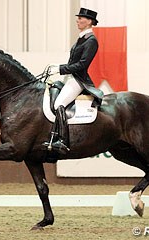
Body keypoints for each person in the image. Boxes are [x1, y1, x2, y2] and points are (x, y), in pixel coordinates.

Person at [43, 7, 103, 155]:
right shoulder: (82, 38)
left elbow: (82, 64)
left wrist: (60, 68)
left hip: (79, 79)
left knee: (59, 104)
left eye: (81, 18)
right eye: (78, 18)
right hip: (70, 77)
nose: (78, 20)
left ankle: (62, 141)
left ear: (89, 21)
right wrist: (58, 67)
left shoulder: (91, 41)